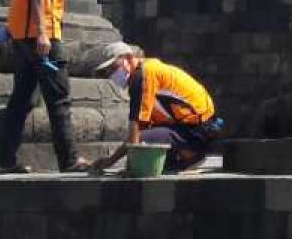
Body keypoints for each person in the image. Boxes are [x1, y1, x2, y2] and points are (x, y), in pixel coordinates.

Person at [0, 0, 91, 173]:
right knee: (59, 96)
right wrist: (42, 33)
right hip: (40, 34)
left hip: (23, 34)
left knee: (22, 99)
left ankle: (4, 161)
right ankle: (70, 160)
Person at [89, 42, 222, 174]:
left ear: (129, 59)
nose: (112, 74)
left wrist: (127, 167)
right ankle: (187, 155)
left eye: (114, 68)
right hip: (195, 128)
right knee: (152, 150)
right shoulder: (146, 70)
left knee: (143, 141)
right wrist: (112, 160)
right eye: (109, 71)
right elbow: (143, 127)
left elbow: (135, 128)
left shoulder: (142, 75)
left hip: (199, 130)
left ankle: (192, 153)